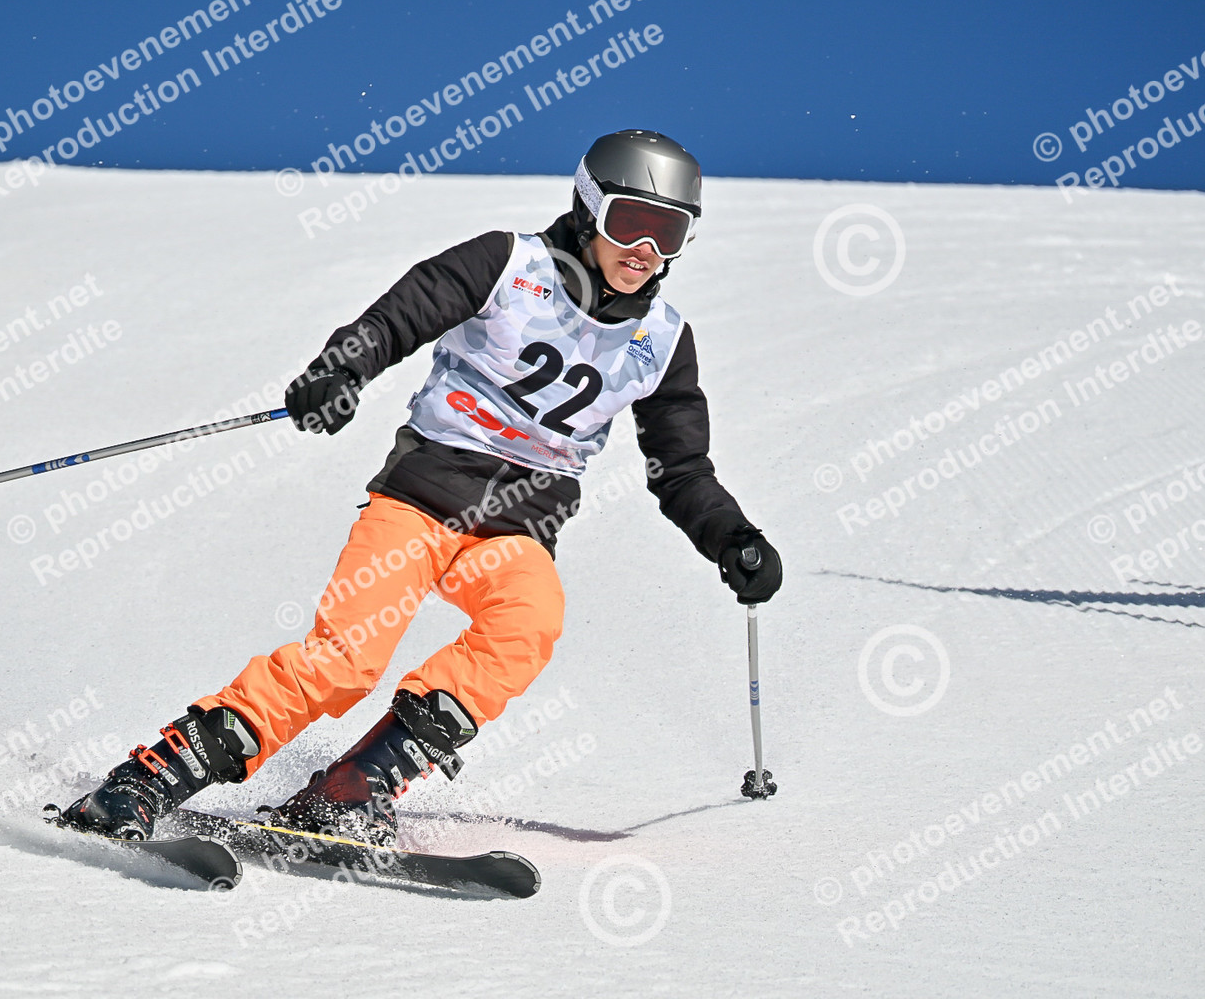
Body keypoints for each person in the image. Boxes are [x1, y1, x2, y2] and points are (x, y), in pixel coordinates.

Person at [55, 129, 783, 845]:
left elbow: (681, 468)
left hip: (517, 530)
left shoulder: (662, 340)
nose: (646, 249)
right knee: (345, 663)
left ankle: (351, 790)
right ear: (590, 207)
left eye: (669, 232)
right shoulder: (509, 264)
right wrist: (340, 369)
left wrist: (733, 539)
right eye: (631, 223)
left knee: (527, 625)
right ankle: (145, 781)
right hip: (421, 500)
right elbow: (404, 313)